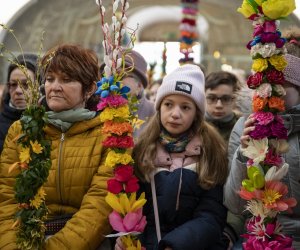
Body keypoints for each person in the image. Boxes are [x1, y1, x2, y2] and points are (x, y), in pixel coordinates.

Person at [0, 44, 113, 249]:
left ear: (89, 89)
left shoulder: (108, 134)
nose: (54, 87)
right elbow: (7, 199)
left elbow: (100, 205)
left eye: (67, 79)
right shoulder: (21, 131)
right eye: (50, 79)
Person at [116, 64, 228, 250]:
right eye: (169, 105)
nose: (175, 114)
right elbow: (134, 209)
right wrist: (127, 237)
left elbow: (211, 215)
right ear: (160, 107)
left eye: (185, 107)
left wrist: (174, 245)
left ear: (196, 114)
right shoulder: (143, 150)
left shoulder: (210, 151)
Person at [224, 27, 300, 249]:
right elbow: (235, 205)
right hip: (259, 237)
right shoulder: (245, 125)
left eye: (280, 87)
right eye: (264, 86)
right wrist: (242, 153)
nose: (269, 93)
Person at [101, 50, 155, 138]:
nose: (113, 81)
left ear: (139, 85)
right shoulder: (94, 109)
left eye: (121, 76)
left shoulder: (154, 113)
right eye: (108, 75)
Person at [0, 53, 38, 153]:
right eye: (13, 84)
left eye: (26, 84)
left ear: (39, 87)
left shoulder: (50, 123)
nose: (18, 90)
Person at [204, 71, 241, 143]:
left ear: (234, 99)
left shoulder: (242, 127)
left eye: (226, 99)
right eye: (212, 98)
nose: (219, 105)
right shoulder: (193, 125)